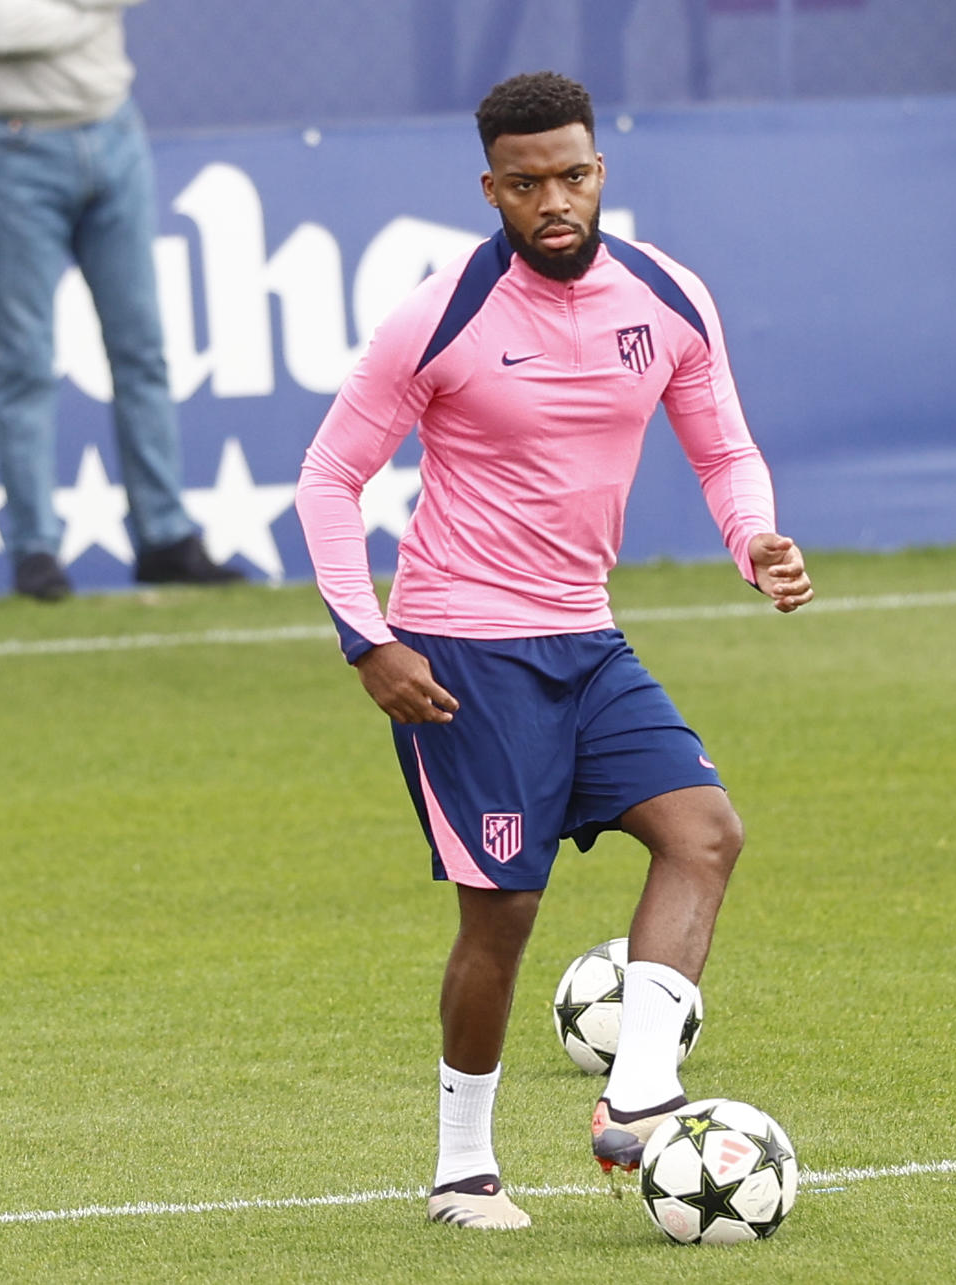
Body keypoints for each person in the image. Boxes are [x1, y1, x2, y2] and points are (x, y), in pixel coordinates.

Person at [294, 71, 813, 1231]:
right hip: (462, 656)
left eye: (573, 175)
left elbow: (724, 449)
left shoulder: (668, 296)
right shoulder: (439, 317)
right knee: (505, 914)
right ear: (492, 189)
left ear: (599, 170)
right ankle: (462, 1167)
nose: (555, 201)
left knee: (704, 832)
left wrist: (754, 539)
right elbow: (330, 477)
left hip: (587, 637)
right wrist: (366, 640)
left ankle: (636, 1100)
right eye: (527, 184)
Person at [0, 0, 239, 600]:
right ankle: (36, 549)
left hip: (115, 132)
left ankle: (166, 538)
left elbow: (14, 27)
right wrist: (90, 13)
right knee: (25, 364)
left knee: (141, 351)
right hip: (7, 149)